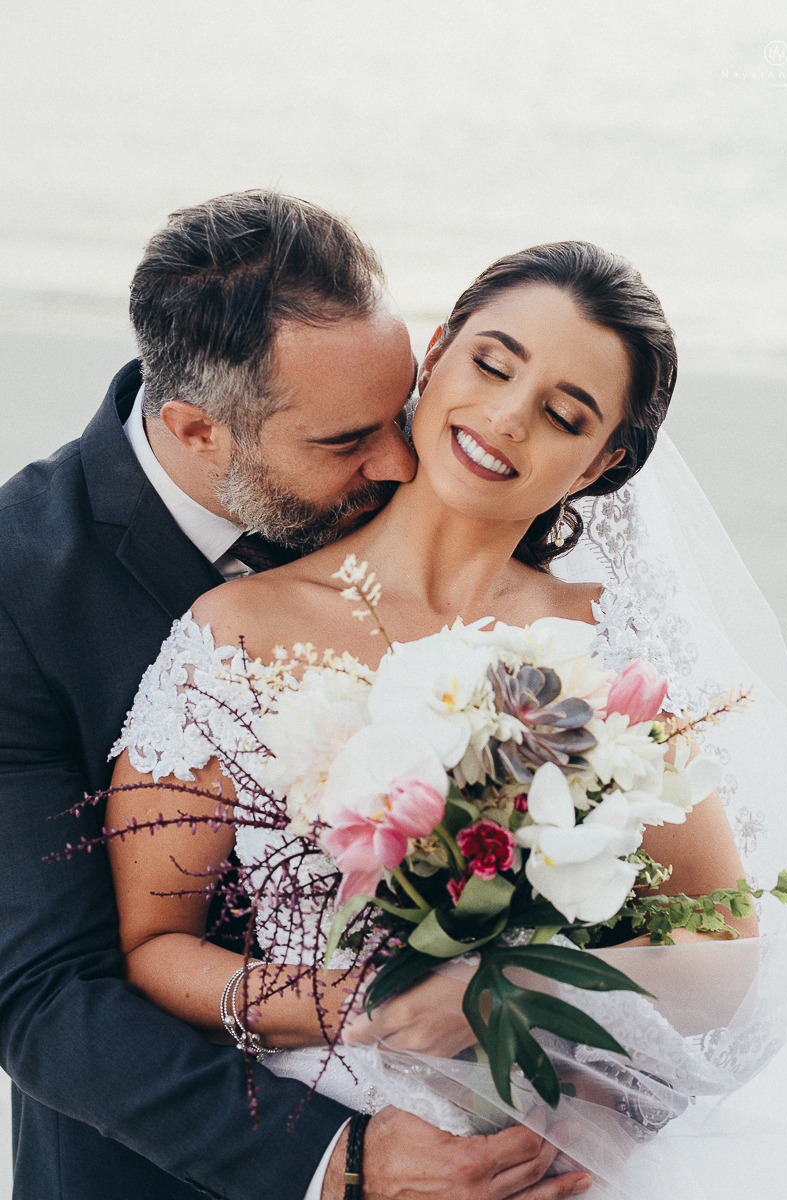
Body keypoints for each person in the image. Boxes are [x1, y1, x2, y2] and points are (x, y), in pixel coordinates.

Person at [105, 241, 787, 1198]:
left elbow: (722, 951)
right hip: (335, 1150)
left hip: (560, 1150)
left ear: (605, 462)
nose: (504, 418)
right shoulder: (234, 634)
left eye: (562, 413)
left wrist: (520, 989)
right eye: (493, 364)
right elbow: (154, 949)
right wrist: (372, 1007)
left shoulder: (607, 653)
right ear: (433, 357)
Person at [0, 191, 580, 1200]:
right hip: (168, 1169)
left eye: (399, 409)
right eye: (345, 440)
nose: (400, 462)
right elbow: (43, 991)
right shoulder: (18, 586)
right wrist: (333, 1162)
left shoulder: (421, 486)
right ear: (197, 430)